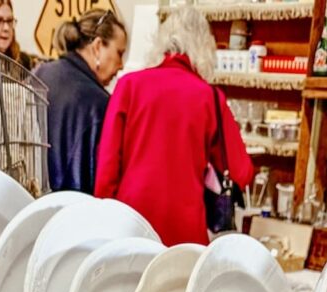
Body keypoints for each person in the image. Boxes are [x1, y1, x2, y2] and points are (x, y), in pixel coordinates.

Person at [94, 8, 253, 246]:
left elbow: (106, 174)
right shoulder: (209, 97)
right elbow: (242, 172)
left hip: (131, 223)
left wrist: (105, 221)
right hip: (185, 231)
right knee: (179, 282)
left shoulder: (129, 86)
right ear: (204, 47)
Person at [33, 11, 127, 194]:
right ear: (98, 46)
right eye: (119, 53)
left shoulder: (40, 73)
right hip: (71, 211)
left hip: (28, 202)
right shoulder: (100, 104)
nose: (121, 64)